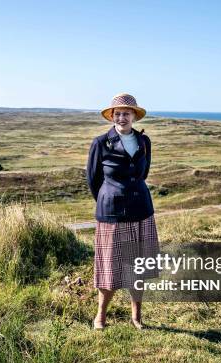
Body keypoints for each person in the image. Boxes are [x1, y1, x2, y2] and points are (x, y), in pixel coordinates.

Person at [86, 93, 160, 330]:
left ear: (134, 116)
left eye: (126, 113)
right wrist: (109, 199)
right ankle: (100, 316)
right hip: (112, 214)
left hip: (141, 210)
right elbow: (93, 179)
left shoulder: (144, 142)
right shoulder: (100, 143)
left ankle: (136, 317)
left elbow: (143, 173)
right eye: (117, 113)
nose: (121, 117)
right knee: (109, 268)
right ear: (112, 116)